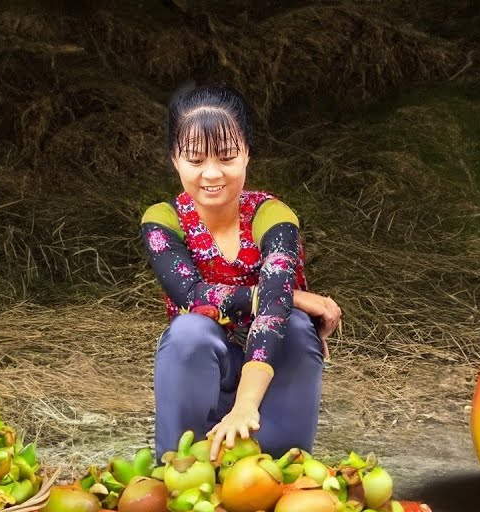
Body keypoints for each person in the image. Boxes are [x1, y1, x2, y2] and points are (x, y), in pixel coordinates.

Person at [141, 83, 343, 460]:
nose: (211, 173)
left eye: (227, 156)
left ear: (248, 154)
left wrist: (246, 405)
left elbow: (273, 309)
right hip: (201, 369)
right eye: (196, 160)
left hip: (273, 366)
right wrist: (290, 296)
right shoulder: (163, 220)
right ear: (174, 159)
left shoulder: (272, 215)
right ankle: (179, 468)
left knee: (296, 326)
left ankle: (280, 466)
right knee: (189, 330)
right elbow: (192, 296)